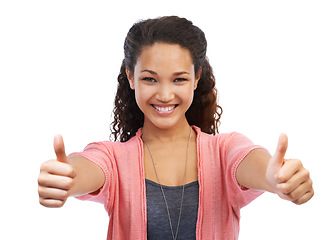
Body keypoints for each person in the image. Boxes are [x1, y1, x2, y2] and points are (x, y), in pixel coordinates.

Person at [37, 16, 314, 240]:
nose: (165, 95)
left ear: (196, 78)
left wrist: (274, 177)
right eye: (150, 79)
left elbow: (250, 162)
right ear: (131, 77)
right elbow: (87, 167)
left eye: (179, 79)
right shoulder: (114, 159)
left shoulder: (223, 150)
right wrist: (68, 178)